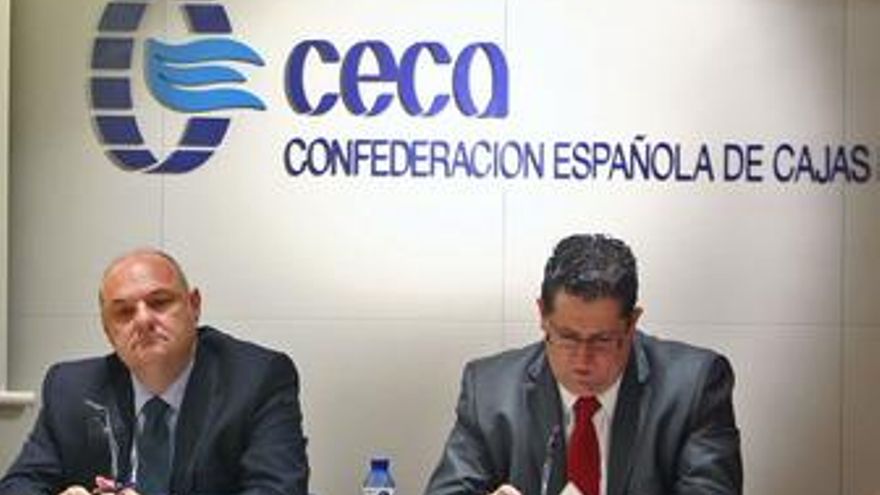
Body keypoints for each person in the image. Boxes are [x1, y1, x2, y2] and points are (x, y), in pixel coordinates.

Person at [425, 234, 742, 495]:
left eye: (602, 340)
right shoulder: (489, 390)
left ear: (632, 323)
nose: (582, 360)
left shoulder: (694, 387)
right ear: (542, 315)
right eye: (567, 337)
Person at [0, 249, 309, 495]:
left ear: (194, 306)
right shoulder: (71, 388)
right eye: (124, 312)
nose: (143, 320)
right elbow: (19, 485)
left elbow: (277, 489)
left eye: (159, 302)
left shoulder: (256, 379)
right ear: (107, 329)